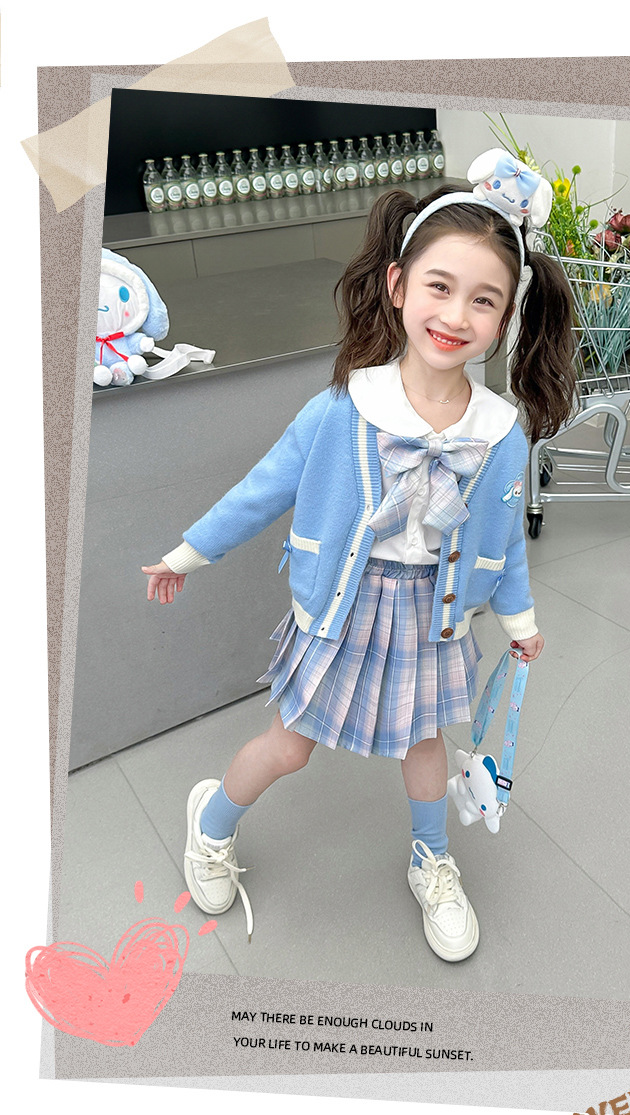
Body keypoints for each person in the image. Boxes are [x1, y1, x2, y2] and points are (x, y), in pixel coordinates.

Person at [141, 148, 576, 962]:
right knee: (289, 744)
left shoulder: (500, 434)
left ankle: (431, 860)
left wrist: (519, 622)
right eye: (440, 286)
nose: (457, 314)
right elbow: (263, 488)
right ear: (398, 285)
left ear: (508, 315)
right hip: (341, 608)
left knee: (425, 746)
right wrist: (186, 554)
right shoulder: (343, 408)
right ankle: (212, 821)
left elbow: (502, 542)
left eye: (484, 299)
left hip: (432, 616)